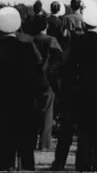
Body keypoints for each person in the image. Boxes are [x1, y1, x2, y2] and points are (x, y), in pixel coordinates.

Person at [55, 1, 97, 172]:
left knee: (84, 135)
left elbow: (67, 68)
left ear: (84, 23)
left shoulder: (76, 43)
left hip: (81, 93)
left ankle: (82, 167)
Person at [0, 6, 45, 171]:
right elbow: (39, 77)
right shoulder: (28, 47)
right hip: (26, 105)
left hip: (3, 105)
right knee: (26, 151)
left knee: (6, 152)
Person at [27, 11, 63, 151]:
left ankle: (31, 140)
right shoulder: (51, 40)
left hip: (31, 78)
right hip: (47, 79)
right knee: (47, 112)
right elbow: (59, 58)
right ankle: (44, 143)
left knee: (33, 111)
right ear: (45, 26)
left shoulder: (29, 39)